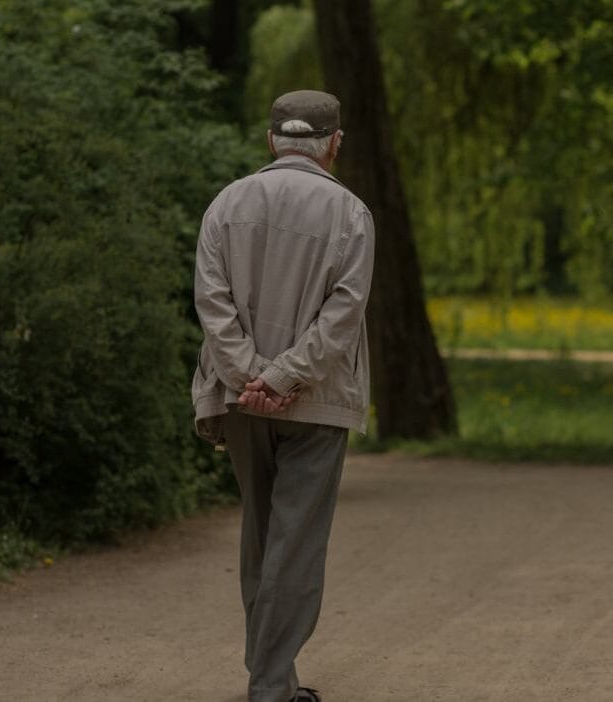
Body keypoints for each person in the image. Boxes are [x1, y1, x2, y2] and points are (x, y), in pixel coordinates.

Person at [191, 89, 374, 702]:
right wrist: (284, 378)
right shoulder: (351, 214)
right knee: (295, 542)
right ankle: (271, 687)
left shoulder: (226, 204)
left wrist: (250, 377)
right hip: (315, 401)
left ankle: (273, 677)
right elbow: (341, 320)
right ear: (334, 143)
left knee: (263, 534)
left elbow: (212, 308)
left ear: (272, 139)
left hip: (240, 400)